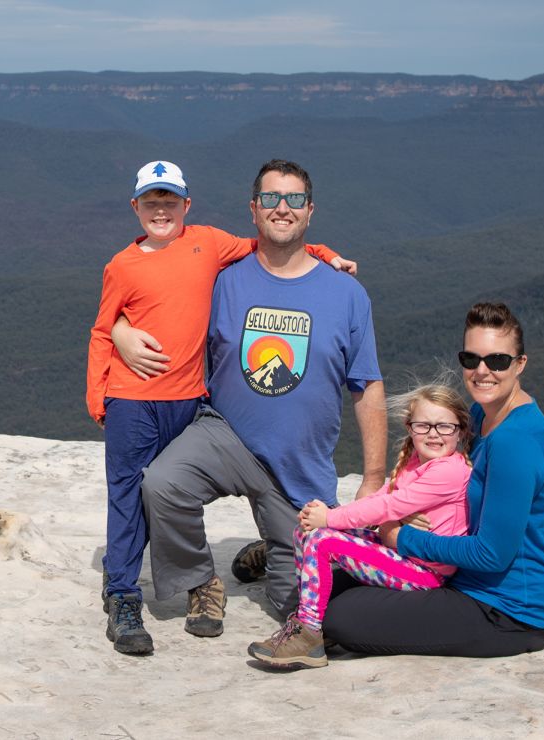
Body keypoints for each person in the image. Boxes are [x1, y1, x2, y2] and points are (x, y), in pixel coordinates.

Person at [87, 160, 353, 655]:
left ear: (187, 205)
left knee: (288, 593)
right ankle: (128, 591)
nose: (160, 210)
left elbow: (269, 244)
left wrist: (324, 253)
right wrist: (101, 392)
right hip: (141, 399)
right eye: (151, 201)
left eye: (170, 201)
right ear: (135, 207)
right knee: (135, 493)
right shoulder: (122, 264)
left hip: (189, 400)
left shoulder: (208, 242)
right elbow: (104, 327)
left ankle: (258, 555)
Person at [322, 302, 544, 658]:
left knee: (341, 616)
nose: (483, 372)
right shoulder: (482, 414)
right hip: (459, 578)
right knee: (327, 585)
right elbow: (436, 476)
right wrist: (403, 509)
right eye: (471, 359)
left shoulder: (516, 441)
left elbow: (492, 554)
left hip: (507, 611)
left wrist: (403, 538)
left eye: (498, 361)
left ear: (520, 364)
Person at [246, 382, 473, 669]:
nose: (433, 434)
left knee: (322, 540)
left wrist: (330, 519)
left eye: (444, 427)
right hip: (404, 556)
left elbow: (386, 507)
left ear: (461, 430)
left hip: (424, 572)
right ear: (409, 427)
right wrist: (329, 517)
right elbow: (384, 497)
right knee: (308, 532)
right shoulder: (417, 462)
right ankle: (309, 619)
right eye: (423, 426)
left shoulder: (449, 471)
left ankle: (308, 633)